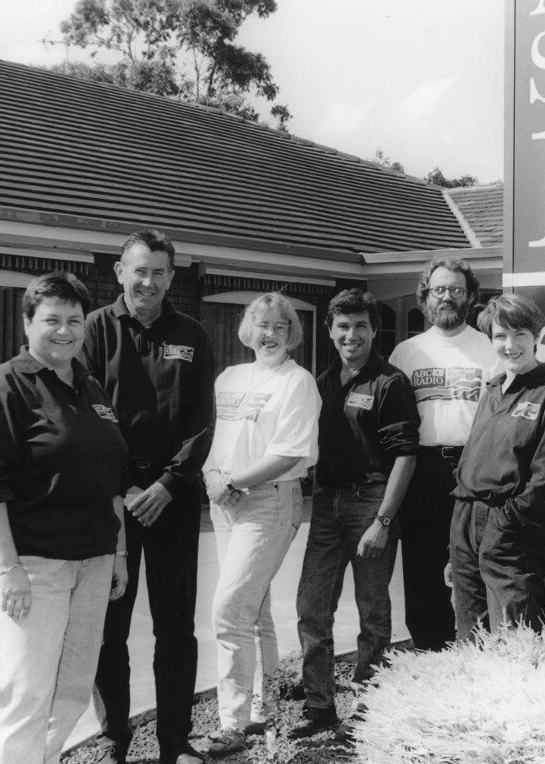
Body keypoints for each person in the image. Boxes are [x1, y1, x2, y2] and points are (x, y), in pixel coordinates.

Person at [0, 272, 130, 764]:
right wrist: (8, 568)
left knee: (72, 690)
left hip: (92, 561)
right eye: (51, 319)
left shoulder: (91, 388)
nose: (64, 330)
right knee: (25, 695)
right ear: (28, 323)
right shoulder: (0, 388)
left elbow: (112, 477)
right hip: (30, 564)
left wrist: (116, 552)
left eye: (74, 320)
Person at [83, 231, 216, 764]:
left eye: (159, 272)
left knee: (175, 626)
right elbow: (85, 414)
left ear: (171, 277)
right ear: (120, 272)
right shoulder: (94, 330)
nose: (148, 282)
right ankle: (114, 737)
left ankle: (174, 743)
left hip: (173, 499)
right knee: (108, 626)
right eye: (139, 270)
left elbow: (204, 422)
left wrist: (167, 484)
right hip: (111, 501)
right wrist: (123, 485)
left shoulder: (193, 334)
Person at [293, 288, 419, 737]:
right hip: (327, 504)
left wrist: (384, 521)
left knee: (372, 611)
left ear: (373, 329)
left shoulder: (389, 382)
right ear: (330, 331)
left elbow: (405, 455)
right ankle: (320, 707)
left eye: (361, 326)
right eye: (343, 326)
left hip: (372, 502)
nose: (352, 335)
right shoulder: (320, 382)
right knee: (311, 607)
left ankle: (370, 709)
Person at [199, 294, 321, 757]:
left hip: (269, 503)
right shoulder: (229, 378)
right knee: (253, 610)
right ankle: (262, 711)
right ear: (248, 331)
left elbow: (289, 453)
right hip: (224, 502)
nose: (270, 334)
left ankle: (230, 723)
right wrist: (214, 477)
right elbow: (216, 437)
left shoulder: (298, 382)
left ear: (292, 334)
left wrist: (230, 479)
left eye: (281, 326)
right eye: (262, 325)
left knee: (229, 610)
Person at [449, 293, 545, 638]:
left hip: (510, 528)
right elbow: (473, 459)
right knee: (471, 636)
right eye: (500, 336)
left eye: (519, 334)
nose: (510, 345)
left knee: (513, 639)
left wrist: (505, 525)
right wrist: (463, 534)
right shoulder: (492, 389)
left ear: (535, 336)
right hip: (466, 520)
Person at [388, 257, 497, 651]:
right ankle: (429, 649)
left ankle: (473, 649)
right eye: (439, 290)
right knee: (422, 565)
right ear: (425, 296)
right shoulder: (406, 353)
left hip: (474, 468)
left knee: (473, 563)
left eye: (455, 290)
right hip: (422, 469)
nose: (447, 297)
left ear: (470, 297)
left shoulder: (489, 349)